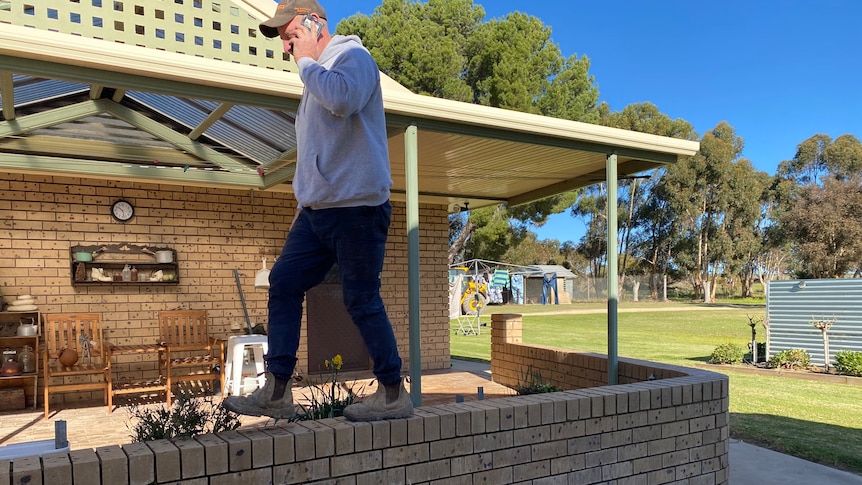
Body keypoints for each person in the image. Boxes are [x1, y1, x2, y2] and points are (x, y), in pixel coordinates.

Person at [222, 0, 413, 421]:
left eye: (291, 36)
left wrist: (308, 62)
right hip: (316, 213)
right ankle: (276, 391)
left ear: (314, 24)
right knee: (284, 283)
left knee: (360, 299)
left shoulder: (353, 58)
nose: (288, 48)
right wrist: (301, 206)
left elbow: (342, 100)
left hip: (358, 208)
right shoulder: (316, 77)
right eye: (286, 42)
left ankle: (393, 394)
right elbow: (316, 153)